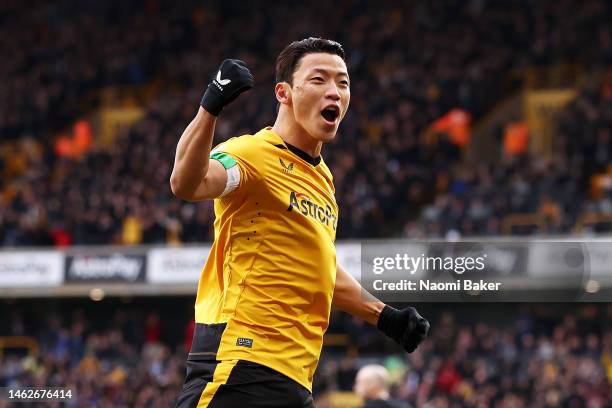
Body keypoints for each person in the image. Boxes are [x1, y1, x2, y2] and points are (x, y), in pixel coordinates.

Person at [170, 37, 429, 408]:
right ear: (284, 93)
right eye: (319, 80)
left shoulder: (323, 181)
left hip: (296, 378)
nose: (335, 92)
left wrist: (384, 316)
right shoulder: (251, 154)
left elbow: (319, 266)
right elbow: (187, 182)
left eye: (343, 83)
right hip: (240, 364)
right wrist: (211, 107)